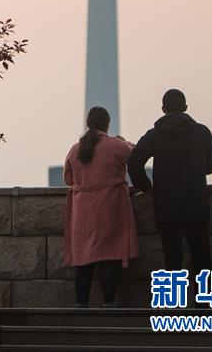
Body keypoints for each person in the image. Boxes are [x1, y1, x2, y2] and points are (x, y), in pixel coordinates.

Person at [127, 89, 212, 273]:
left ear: (163, 109)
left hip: (166, 206)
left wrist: (145, 186)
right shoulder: (202, 132)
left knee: (173, 260)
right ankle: (204, 292)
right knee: (202, 258)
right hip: (196, 204)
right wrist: (196, 172)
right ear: (185, 107)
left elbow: (134, 162)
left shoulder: (154, 135)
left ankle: (174, 292)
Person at [63, 106, 140, 307]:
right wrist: (125, 142)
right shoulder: (116, 145)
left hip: (82, 212)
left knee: (84, 260)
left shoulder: (75, 149)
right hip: (110, 207)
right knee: (110, 255)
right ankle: (109, 303)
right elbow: (136, 155)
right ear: (107, 124)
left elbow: (68, 178)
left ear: (88, 124)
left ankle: (81, 304)